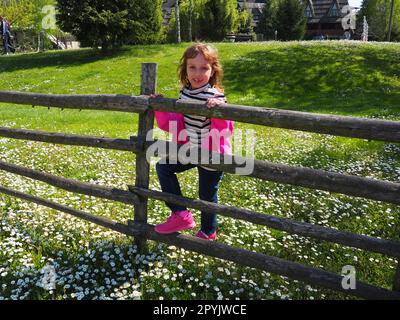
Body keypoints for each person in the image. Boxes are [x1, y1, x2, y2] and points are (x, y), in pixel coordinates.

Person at [151, 43, 234, 241]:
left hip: (212, 153)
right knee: (164, 167)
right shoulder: (185, 92)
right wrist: (161, 107)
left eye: (204, 68)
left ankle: (208, 231)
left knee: (206, 194)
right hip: (190, 149)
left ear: (213, 69)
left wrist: (218, 110)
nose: (197, 73)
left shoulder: (215, 96)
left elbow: (224, 130)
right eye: (192, 67)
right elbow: (178, 122)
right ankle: (181, 214)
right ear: (185, 68)